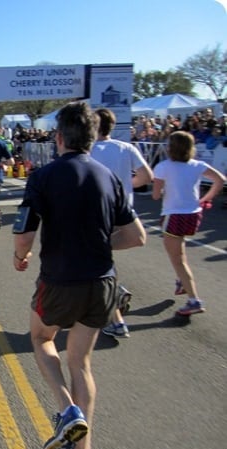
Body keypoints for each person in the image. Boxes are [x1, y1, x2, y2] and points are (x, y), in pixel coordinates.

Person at [13, 102, 146, 449]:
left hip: (59, 280)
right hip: (102, 284)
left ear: (58, 138)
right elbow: (136, 236)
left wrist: (19, 256)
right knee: (81, 362)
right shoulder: (109, 176)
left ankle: (67, 410)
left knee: (42, 339)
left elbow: (24, 233)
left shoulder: (43, 177)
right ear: (93, 137)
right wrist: (102, 243)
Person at [91, 108, 154, 338]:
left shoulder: (88, 150)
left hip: (98, 214)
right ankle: (112, 298)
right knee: (103, 260)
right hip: (125, 214)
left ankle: (116, 315)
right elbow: (147, 176)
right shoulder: (126, 148)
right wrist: (126, 185)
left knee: (98, 263)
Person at [152, 130, 226, 316]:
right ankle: (181, 281)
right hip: (193, 214)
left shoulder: (163, 166)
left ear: (171, 148)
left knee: (177, 259)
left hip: (173, 215)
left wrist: (165, 191)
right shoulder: (197, 164)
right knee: (180, 252)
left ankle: (194, 299)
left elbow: (155, 195)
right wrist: (205, 198)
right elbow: (220, 180)